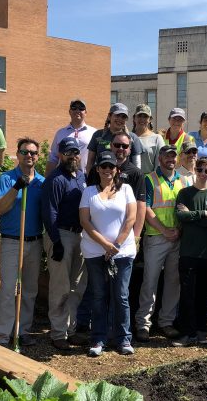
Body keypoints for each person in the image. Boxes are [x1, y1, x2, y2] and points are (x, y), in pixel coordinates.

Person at [79, 151, 137, 357]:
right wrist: (106, 245)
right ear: (97, 169)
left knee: (121, 296)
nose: (107, 170)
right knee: (98, 296)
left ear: (117, 170)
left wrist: (116, 245)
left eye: (111, 167)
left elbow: (131, 218)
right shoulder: (88, 192)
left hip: (123, 252)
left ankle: (123, 339)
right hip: (95, 251)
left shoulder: (127, 189)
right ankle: (98, 339)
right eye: (103, 166)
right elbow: (85, 221)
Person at [0, 138, 45, 347]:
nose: (29, 156)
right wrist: (16, 188)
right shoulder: (6, 178)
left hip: (34, 240)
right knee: (7, 288)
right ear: (18, 154)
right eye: (25, 152)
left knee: (29, 289)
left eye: (33, 152)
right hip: (12, 241)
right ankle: (3, 334)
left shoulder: (41, 181)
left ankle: (23, 329)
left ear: (37, 156)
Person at [41, 137, 88, 350]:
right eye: (68, 152)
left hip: (80, 235)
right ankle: (58, 332)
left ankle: (71, 330)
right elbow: (49, 212)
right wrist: (56, 241)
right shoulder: (56, 179)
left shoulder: (81, 177)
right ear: (60, 154)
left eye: (76, 152)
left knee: (77, 286)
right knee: (60, 286)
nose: (73, 156)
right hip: (61, 234)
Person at [172, 157, 207, 346]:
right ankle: (187, 333)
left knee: (204, 295)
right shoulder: (185, 193)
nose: (202, 173)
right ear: (195, 171)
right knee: (187, 295)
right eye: (199, 170)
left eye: (206, 171)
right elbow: (180, 216)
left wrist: (192, 217)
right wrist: (201, 214)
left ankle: (201, 332)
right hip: (188, 253)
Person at [136, 145, 183, 342]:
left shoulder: (183, 179)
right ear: (160, 159)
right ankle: (143, 324)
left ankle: (166, 322)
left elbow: (183, 209)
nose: (171, 159)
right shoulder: (149, 179)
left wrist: (178, 230)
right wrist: (164, 230)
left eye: (173, 156)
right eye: (167, 156)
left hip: (177, 237)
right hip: (156, 237)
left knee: (173, 282)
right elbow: (146, 208)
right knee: (150, 281)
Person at [87, 103, 143, 174]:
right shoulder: (98, 135)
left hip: (125, 180)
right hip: (101, 179)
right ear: (109, 116)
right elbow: (90, 162)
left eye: (123, 117)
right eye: (117, 115)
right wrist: (89, 179)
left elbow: (137, 165)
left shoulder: (132, 138)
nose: (120, 119)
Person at [46, 98, 97, 175]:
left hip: (87, 177)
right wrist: (48, 178)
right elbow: (53, 157)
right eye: (74, 108)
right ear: (70, 111)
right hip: (64, 177)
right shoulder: (60, 133)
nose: (77, 110)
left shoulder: (94, 132)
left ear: (85, 112)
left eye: (81, 108)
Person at [132, 104, 164, 175]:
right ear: (134, 118)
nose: (142, 119)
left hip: (150, 181)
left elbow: (159, 165)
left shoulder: (157, 138)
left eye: (145, 116)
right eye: (139, 116)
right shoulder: (128, 137)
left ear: (150, 119)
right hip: (130, 181)